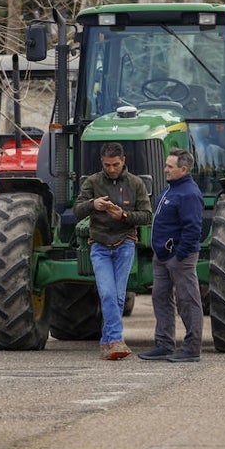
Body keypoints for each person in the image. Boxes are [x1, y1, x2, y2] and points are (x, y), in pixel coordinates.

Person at [73, 142, 153, 361]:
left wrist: (124, 216)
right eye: (107, 165)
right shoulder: (92, 182)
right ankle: (114, 341)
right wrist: (93, 204)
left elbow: (147, 215)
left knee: (118, 296)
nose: (111, 169)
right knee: (108, 293)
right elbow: (77, 210)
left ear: (123, 161)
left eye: (115, 164)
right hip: (99, 246)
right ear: (102, 162)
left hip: (125, 243)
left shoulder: (136, 184)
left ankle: (109, 342)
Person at [140, 149, 204, 362]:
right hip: (162, 257)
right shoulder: (170, 190)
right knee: (160, 298)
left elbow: (193, 229)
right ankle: (164, 344)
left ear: (183, 169)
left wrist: (179, 256)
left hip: (179, 258)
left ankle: (192, 348)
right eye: (166, 165)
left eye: (170, 166)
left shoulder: (189, 194)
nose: (165, 169)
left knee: (188, 301)